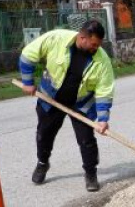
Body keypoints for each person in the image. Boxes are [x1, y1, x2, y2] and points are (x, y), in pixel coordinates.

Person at [16, 20, 115, 192]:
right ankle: (42, 163)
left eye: (98, 45)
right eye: (93, 44)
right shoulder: (56, 39)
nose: (96, 48)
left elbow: (104, 89)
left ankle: (91, 173)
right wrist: (27, 81)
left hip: (81, 103)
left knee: (87, 140)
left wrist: (103, 119)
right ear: (82, 37)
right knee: (44, 134)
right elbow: (28, 55)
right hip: (51, 98)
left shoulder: (101, 59)